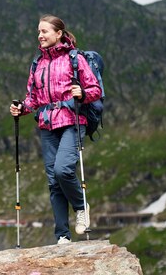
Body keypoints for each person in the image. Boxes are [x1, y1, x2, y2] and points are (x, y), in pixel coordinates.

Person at [10, 14, 102, 245]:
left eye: (44, 31)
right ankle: (62, 235)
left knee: (63, 170)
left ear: (58, 34)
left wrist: (82, 93)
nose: (39, 35)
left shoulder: (75, 59)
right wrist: (21, 108)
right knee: (53, 182)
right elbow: (33, 98)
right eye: (39, 32)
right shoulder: (37, 63)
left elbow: (94, 89)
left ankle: (81, 207)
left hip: (72, 120)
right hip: (47, 124)